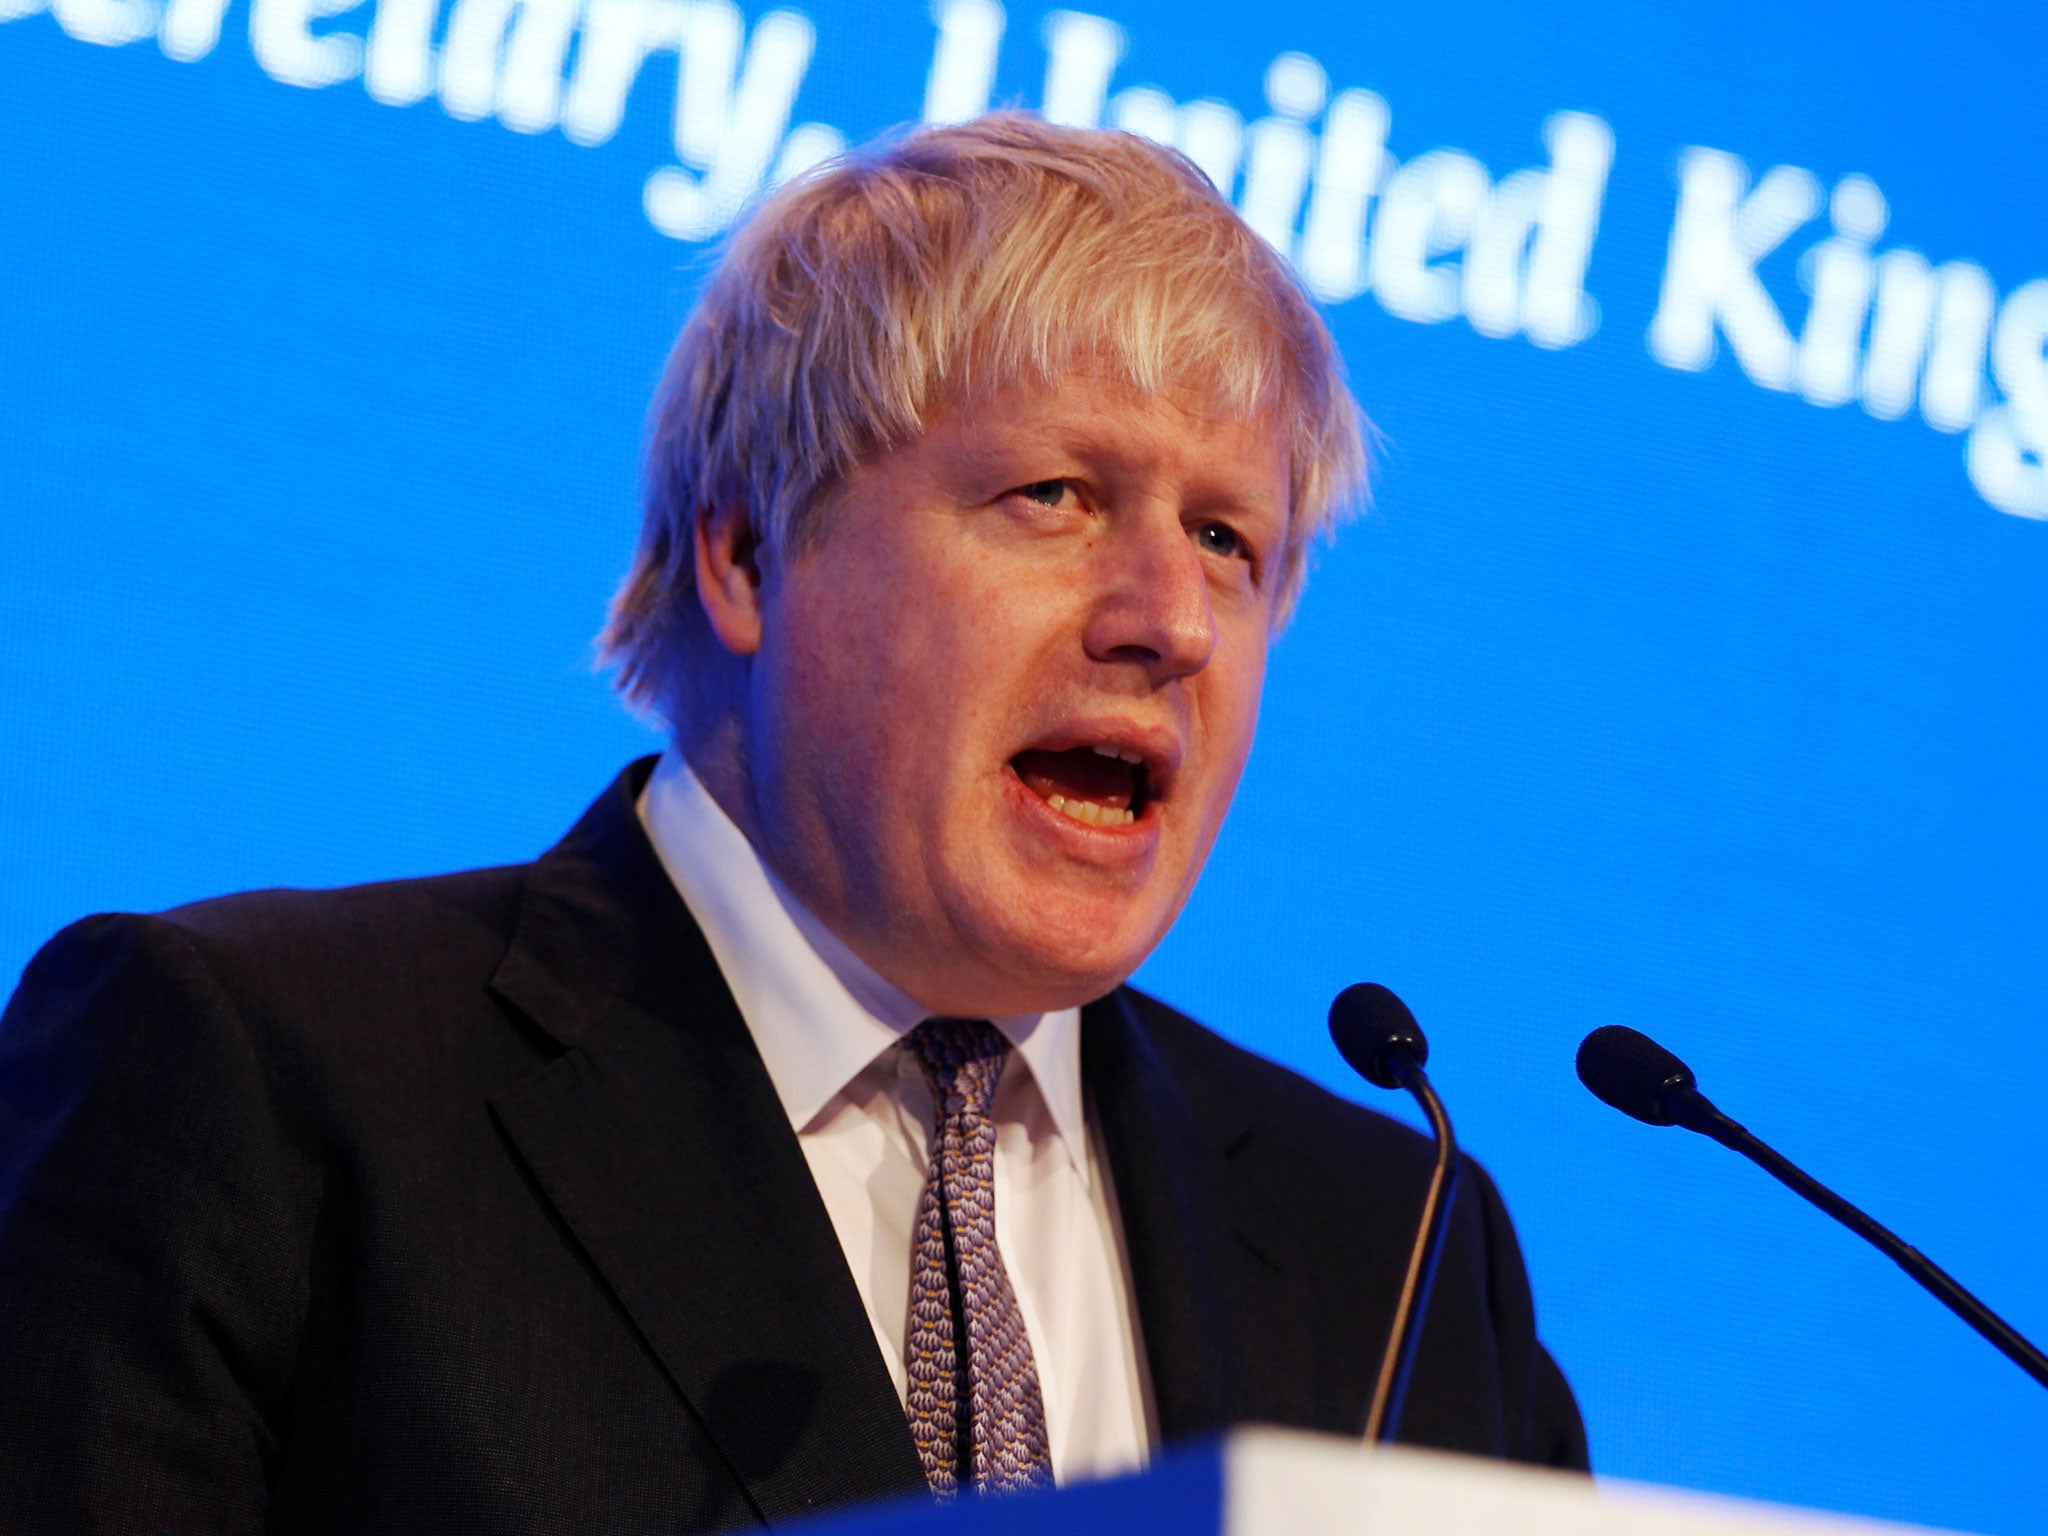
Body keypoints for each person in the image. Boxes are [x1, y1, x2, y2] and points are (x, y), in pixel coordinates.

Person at [0, 112, 1586, 1533]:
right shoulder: (261, 1076)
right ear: (748, 554)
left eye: (1231, 539)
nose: (1168, 617)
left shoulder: (1401, 1254)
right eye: (1057, 496)